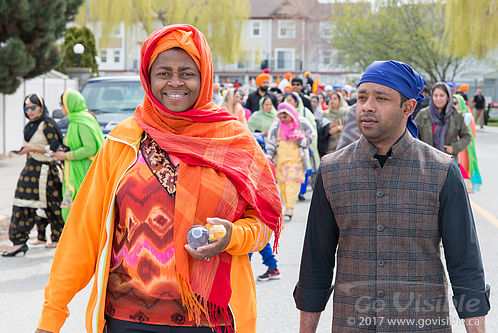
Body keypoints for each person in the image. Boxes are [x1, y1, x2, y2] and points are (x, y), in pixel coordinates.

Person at [35, 24, 282, 333]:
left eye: (187, 73)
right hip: (126, 318)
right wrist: (51, 316)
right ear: (148, 78)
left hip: (211, 319)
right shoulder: (122, 143)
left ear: (204, 77)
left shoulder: (233, 141)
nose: (175, 82)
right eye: (164, 73)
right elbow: (81, 235)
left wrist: (232, 236)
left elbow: (261, 227)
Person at [294, 60, 489, 332]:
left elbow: (465, 266)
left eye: (381, 98)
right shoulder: (331, 170)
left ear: (408, 108)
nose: (367, 106)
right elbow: (316, 265)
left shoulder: (442, 170)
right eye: (362, 97)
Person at [2, 94, 65, 256]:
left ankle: (59, 238)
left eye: (33, 107)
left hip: (45, 171)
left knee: (52, 205)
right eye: (26, 108)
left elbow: (56, 149)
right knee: (23, 202)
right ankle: (19, 241)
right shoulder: (30, 125)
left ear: (41, 107)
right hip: (31, 167)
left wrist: (34, 149)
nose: (29, 111)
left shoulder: (48, 124)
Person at [54, 89, 104, 222]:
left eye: (62, 104)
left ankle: (80, 240)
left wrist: (66, 156)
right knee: (71, 209)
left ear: (70, 104)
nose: (62, 108)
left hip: (83, 171)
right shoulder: (75, 120)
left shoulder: (82, 121)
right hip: (74, 170)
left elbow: (90, 149)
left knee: (79, 209)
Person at [266, 102, 314, 220]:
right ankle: (287, 205)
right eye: (281, 116)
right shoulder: (276, 125)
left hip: (296, 160)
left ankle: (290, 207)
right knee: (282, 184)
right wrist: (270, 157)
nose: (284, 119)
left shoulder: (301, 123)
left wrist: (301, 141)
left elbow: (311, 134)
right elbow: (271, 141)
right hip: (281, 162)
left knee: (292, 181)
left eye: (285, 116)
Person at [414, 82, 471, 165]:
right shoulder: (423, 114)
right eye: (435, 95)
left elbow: (467, 136)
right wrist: (420, 150)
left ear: (448, 97)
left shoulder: (457, 115)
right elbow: (413, 135)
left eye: (441, 95)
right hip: (426, 163)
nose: (438, 99)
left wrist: (454, 148)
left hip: (450, 163)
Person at [285, 92, 319, 201]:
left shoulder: (305, 112)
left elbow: (313, 129)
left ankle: (300, 192)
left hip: (303, 146)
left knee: (302, 169)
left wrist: (305, 140)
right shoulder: (284, 114)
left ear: (296, 101)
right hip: (289, 147)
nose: (288, 102)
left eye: (290, 100)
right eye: (287, 100)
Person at [454, 94, 482, 193]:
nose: (452, 105)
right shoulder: (446, 116)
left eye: (455, 103)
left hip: (463, 152)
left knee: (463, 180)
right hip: (450, 151)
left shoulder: (467, 117)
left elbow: (472, 136)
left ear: (461, 103)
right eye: (451, 103)